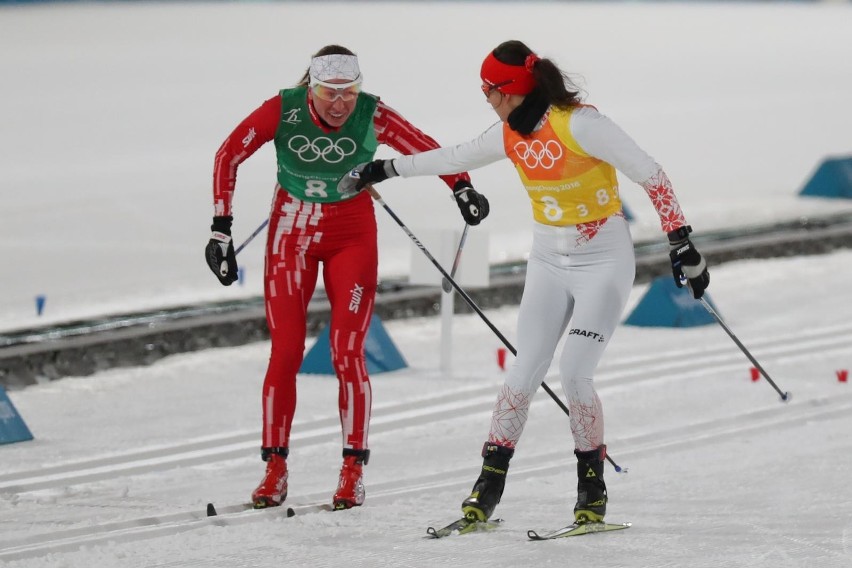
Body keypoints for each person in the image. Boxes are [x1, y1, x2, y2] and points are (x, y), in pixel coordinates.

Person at [345, 40, 709, 524]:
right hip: (548, 263)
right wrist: (385, 168)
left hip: (603, 262)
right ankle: (487, 486)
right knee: (521, 373)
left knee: (575, 372)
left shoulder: (580, 123)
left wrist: (680, 241)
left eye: (490, 89)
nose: (486, 98)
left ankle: (591, 491)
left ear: (514, 88)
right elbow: (453, 156)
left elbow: (652, 174)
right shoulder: (510, 132)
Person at [205, 45, 488, 510]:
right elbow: (227, 156)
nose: (339, 104)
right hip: (290, 234)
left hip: (350, 237)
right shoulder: (283, 109)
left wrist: (462, 187)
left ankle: (352, 470)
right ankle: (274, 468)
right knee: (286, 349)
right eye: (328, 93)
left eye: (349, 93)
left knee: (347, 350)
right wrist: (221, 229)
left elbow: (424, 147)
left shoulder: (372, 115)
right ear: (310, 88)